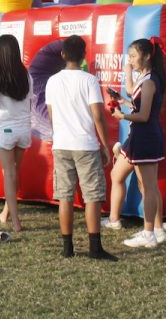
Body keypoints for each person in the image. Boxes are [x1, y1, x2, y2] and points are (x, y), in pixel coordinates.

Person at [44, 35, 116, 261]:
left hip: (62, 144)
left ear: (63, 55)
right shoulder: (89, 81)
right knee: (92, 197)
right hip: (85, 145)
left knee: (65, 197)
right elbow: (98, 116)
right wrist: (105, 145)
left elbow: (52, 114)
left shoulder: (52, 81)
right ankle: (95, 248)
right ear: (84, 56)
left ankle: (67, 248)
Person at [110, 37, 166, 248]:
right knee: (140, 183)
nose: (131, 60)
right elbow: (135, 98)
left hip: (146, 136)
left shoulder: (151, 81)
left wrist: (121, 116)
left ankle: (149, 233)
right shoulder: (144, 78)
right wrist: (124, 101)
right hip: (140, 136)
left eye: (134, 56)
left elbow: (144, 115)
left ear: (147, 56)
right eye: (130, 56)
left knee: (149, 186)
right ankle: (157, 230)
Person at [0, 34, 32, 232]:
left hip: (5, 129)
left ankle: (15, 222)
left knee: (9, 173)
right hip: (24, 129)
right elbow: (28, 101)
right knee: (13, 173)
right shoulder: (25, 73)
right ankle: (5, 214)